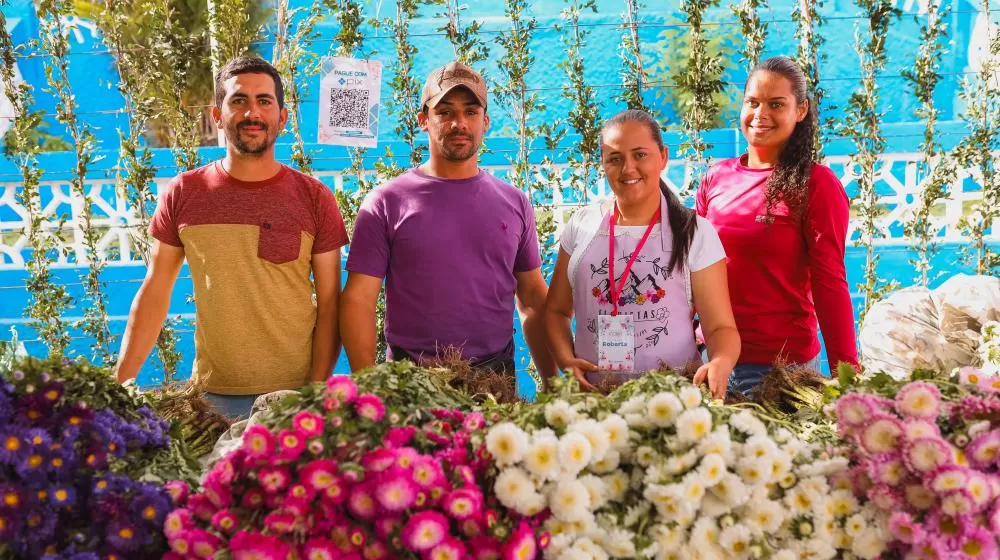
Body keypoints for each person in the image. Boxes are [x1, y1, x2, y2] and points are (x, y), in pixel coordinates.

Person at [114, 56, 348, 419]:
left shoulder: (314, 197)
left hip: (294, 397)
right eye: (238, 101)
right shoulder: (184, 192)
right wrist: (119, 388)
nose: (251, 113)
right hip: (210, 400)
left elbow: (332, 302)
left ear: (282, 118)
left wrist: (315, 395)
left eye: (264, 101)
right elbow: (156, 290)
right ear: (217, 115)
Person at [341, 61, 557, 382]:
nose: (459, 123)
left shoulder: (514, 202)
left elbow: (533, 301)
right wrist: (372, 391)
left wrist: (552, 384)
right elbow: (358, 300)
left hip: (494, 381)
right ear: (423, 121)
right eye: (444, 112)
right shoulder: (386, 202)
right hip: (411, 382)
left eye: (470, 112)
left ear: (485, 122)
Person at [544, 110, 740, 399]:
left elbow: (721, 327)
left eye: (640, 155)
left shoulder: (695, 232)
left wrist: (721, 361)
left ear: (663, 157)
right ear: (603, 164)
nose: (628, 168)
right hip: (594, 400)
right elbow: (556, 311)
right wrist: (565, 360)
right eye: (615, 158)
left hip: (673, 401)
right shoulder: (581, 225)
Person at [696, 56, 859, 396]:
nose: (760, 115)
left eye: (776, 104)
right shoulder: (716, 177)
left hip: (780, 372)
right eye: (752, 103)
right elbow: (694, 271)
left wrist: (849, 378)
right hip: (710, 362)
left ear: (801, 110)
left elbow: (830, 283)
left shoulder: (816, 185)